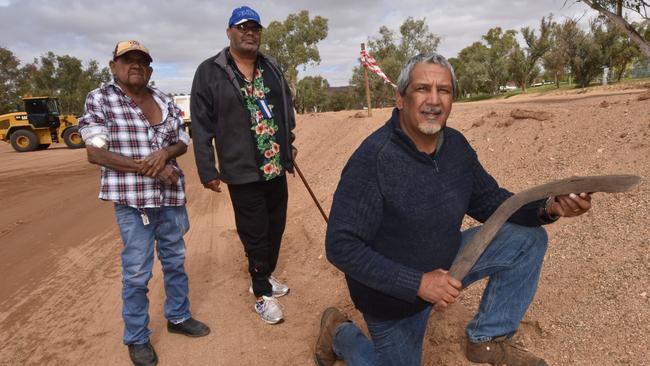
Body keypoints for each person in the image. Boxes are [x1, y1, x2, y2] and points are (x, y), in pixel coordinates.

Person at [314, 52, 592, 366]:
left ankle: (487, 339)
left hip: (449, 264)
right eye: (422, 89)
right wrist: (419, 283)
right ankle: (339, 331)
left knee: (528, 240)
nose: (434, 100)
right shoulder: (373, 160)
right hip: (393, 300)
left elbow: (491, 202)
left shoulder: (456, 147)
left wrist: (549, 206)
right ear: (400, 98)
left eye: (443, 90)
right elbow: (341, 246)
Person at [79, 40, 209, 366]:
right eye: (128, 59)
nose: (135, 64)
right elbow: (95, 151)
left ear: (150, 69)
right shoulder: (100, 99)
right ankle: (137, 337)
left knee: (176, 260)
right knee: (137, 272)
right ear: (114, 65)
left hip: (170, 198)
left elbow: (182, 140)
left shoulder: (163, 99)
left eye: (142, 60)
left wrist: (165, 154)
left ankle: (178, 317)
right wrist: (149, 167)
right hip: (133, 202)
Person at [190, 6, 296, 325]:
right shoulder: (210, 71)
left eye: (255, 28)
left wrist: (288, 148)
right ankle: (262, 293)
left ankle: (262, 274)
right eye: (243, 27)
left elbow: (285, 110)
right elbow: (201, 124)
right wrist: (207, 168)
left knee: (276, 227)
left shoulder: (271, 67)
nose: (250, 32)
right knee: (255, 232)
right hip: (242, 171)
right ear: (229, 32)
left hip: (275, 165)